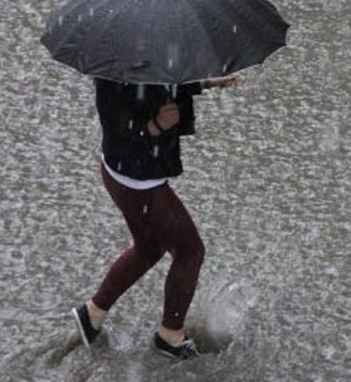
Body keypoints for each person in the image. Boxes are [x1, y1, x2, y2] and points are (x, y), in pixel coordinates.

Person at [71, 74, 237, 359]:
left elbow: (161, 82)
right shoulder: (116, 73)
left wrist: (205, 82)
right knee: (190, 251)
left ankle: (93, 313)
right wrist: (156, 125)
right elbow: (119, 126)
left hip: (122, 173)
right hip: (138, 182)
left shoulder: (142, 58)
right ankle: (169, 335)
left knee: (149, 248)